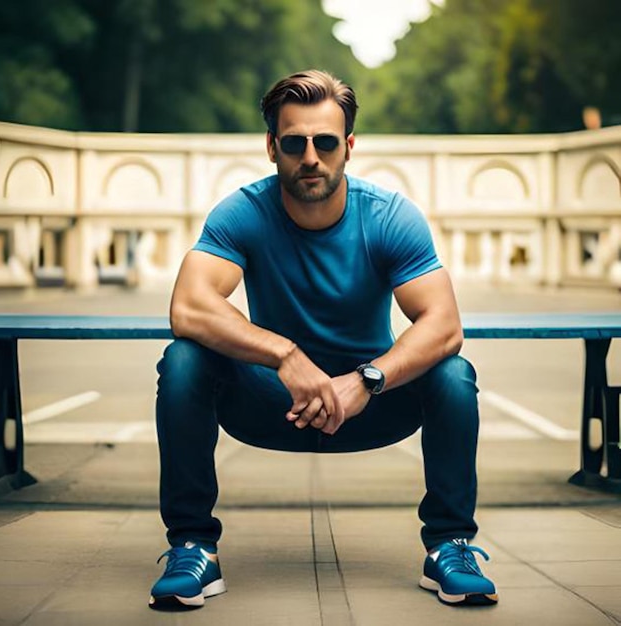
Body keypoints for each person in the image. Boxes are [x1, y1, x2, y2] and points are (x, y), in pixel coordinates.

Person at [149, 69, 498, 610]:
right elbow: (189, 307)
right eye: (294, 142)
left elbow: (443, 323)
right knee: (184, 360)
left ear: (349, 147)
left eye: (326, 142)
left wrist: (369, 379)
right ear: (272, 147)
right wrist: (285, 355)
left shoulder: (389, 217)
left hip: (370, 404)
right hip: (272, 403)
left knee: (453, 372)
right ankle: (193, 547)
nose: (310, 156)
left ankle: (450, 545)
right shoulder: (243, 212)